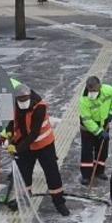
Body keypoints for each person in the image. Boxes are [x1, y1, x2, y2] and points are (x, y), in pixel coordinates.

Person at [7, 84, 70, 216]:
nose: (23, 102)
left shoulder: (40, 107)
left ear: (29, 96)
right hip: (25, 145)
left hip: (43, 145)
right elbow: (11, 122)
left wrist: (17, 148)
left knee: (52, 173)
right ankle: (23, 198)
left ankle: (59, 202)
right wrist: (8, 135)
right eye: (20, 100)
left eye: (25, 99)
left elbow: (34, 133)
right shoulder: (14, 105)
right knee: (24, 173)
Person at [78, 76, 112, 185]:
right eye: (90, 90)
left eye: (94, 90)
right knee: (87, 151)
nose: (92, 92)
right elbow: (86, 120)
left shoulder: (108, 90)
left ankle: (99, 171)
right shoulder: (84, 100)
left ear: (100, 86)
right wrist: (99, 132)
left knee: (102, 149)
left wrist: (111, 113)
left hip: (103, 123)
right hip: (88, 128)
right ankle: (86, 175)